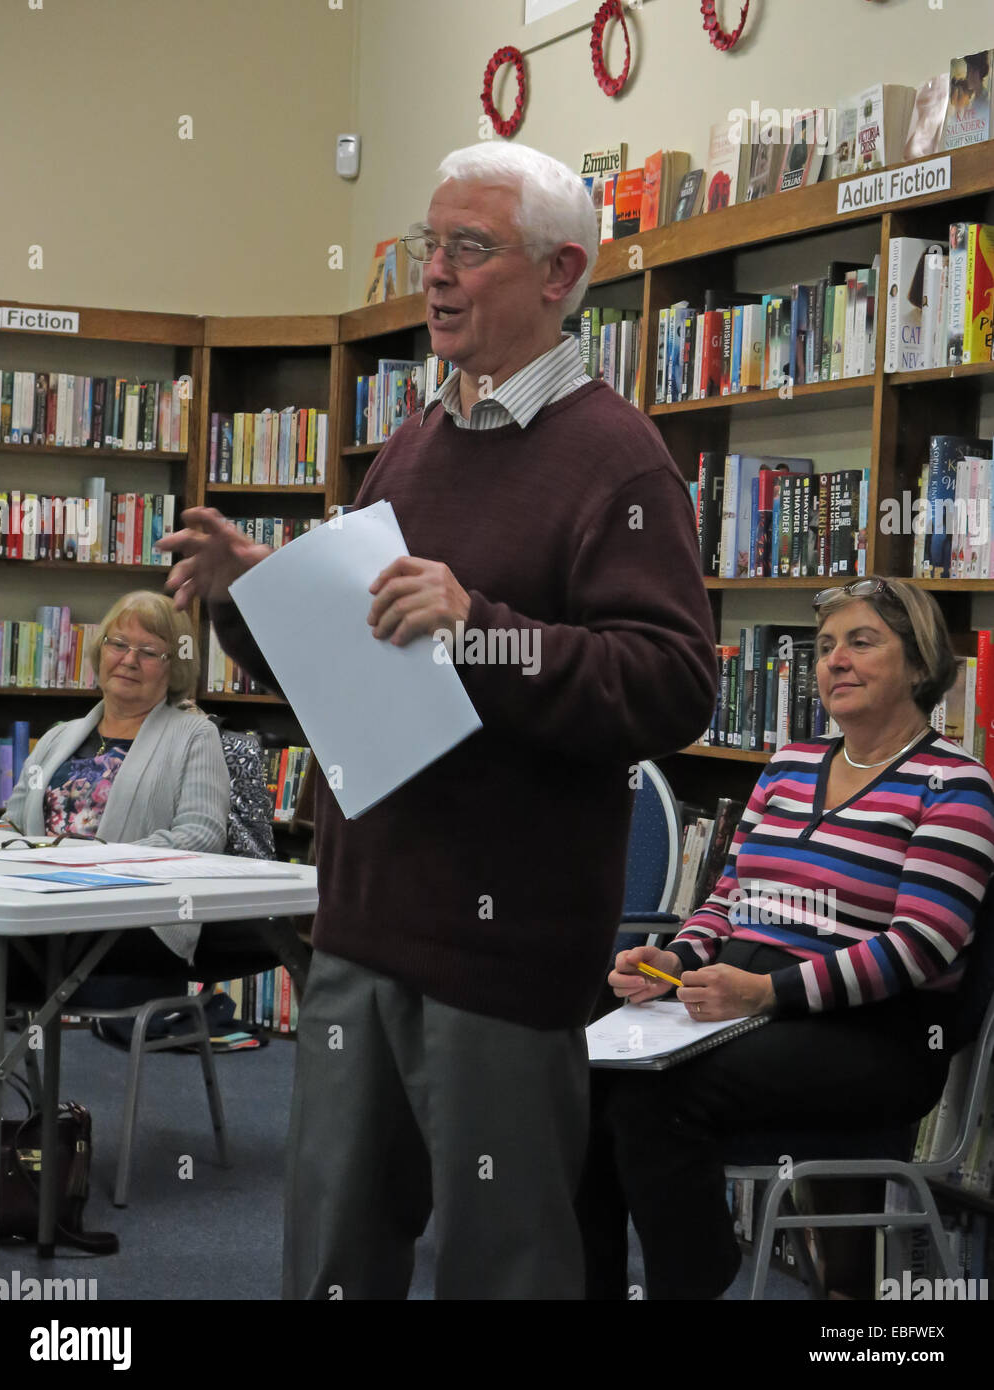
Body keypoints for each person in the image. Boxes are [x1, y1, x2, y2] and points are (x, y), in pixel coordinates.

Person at [159, 142, 718, 1300]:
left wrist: (482, 629)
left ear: (561, 273)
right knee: (331, 1249)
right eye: (431, 245)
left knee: (498, 1264)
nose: (438, 274)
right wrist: (253, 593)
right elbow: (354, 654)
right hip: (364, 922)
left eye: (471, 248)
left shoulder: (621, 461)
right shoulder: (416, 436)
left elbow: (670, 682)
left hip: (500, 955)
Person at [577, 576, 994, 1299]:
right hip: (745, 993)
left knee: (655, 1098)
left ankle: (694, 1281)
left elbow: (921, 946)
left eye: (862, 643)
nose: (835, 660)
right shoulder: (792, 763)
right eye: (827, 647)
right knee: (580, 1064)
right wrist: (676, 959)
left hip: (876, 1030)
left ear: (920, 663)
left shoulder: (953, 783)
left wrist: (770, 992)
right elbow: (729, 896)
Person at [4, 590, 230, 985]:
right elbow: (13, 825)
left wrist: (100, 864)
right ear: (100, 651)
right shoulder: (60, 737)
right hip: (39, 910)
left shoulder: (195, 734)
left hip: (133, 919)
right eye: (119, 644)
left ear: (172, 667)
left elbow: (202, 837)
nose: (129, 660)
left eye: (148, 651)